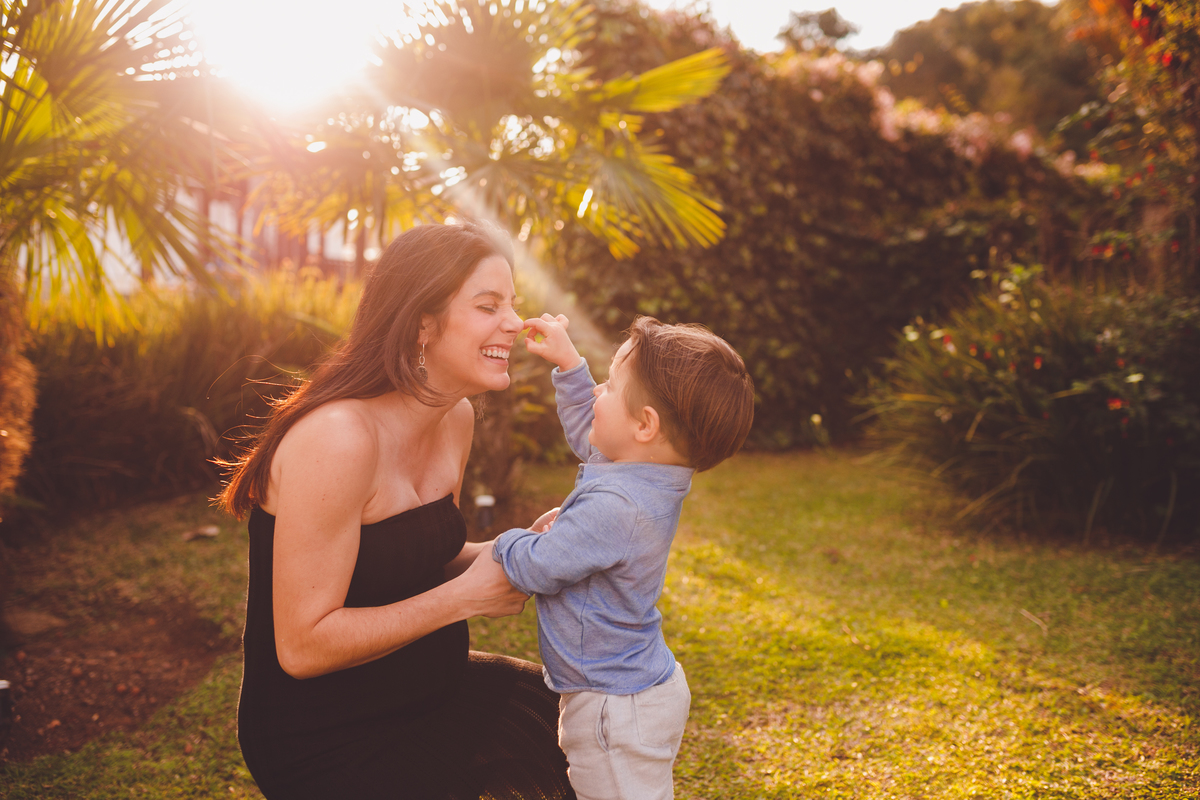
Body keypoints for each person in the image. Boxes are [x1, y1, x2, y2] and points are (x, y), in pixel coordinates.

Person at [216, 221, 575, 800]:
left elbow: (420, 557)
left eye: (512, 304)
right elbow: (303, 646)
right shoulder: (337, 439)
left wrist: (516, 548)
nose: (514, 322)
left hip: (432, 690)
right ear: (422, 325)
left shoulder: (454, 418)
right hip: (328, 739)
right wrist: (464, 600)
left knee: (582, 728)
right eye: (489, 306)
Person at [488, 313, 755, 800]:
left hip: (613, 706)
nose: (596, 394)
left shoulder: (617, 507)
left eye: (608, 386)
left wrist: (509, 541)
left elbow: (538, 567)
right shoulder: (646, 470)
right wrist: (570, 365)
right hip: (632, 691)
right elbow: (591, 431)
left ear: (645, 425)